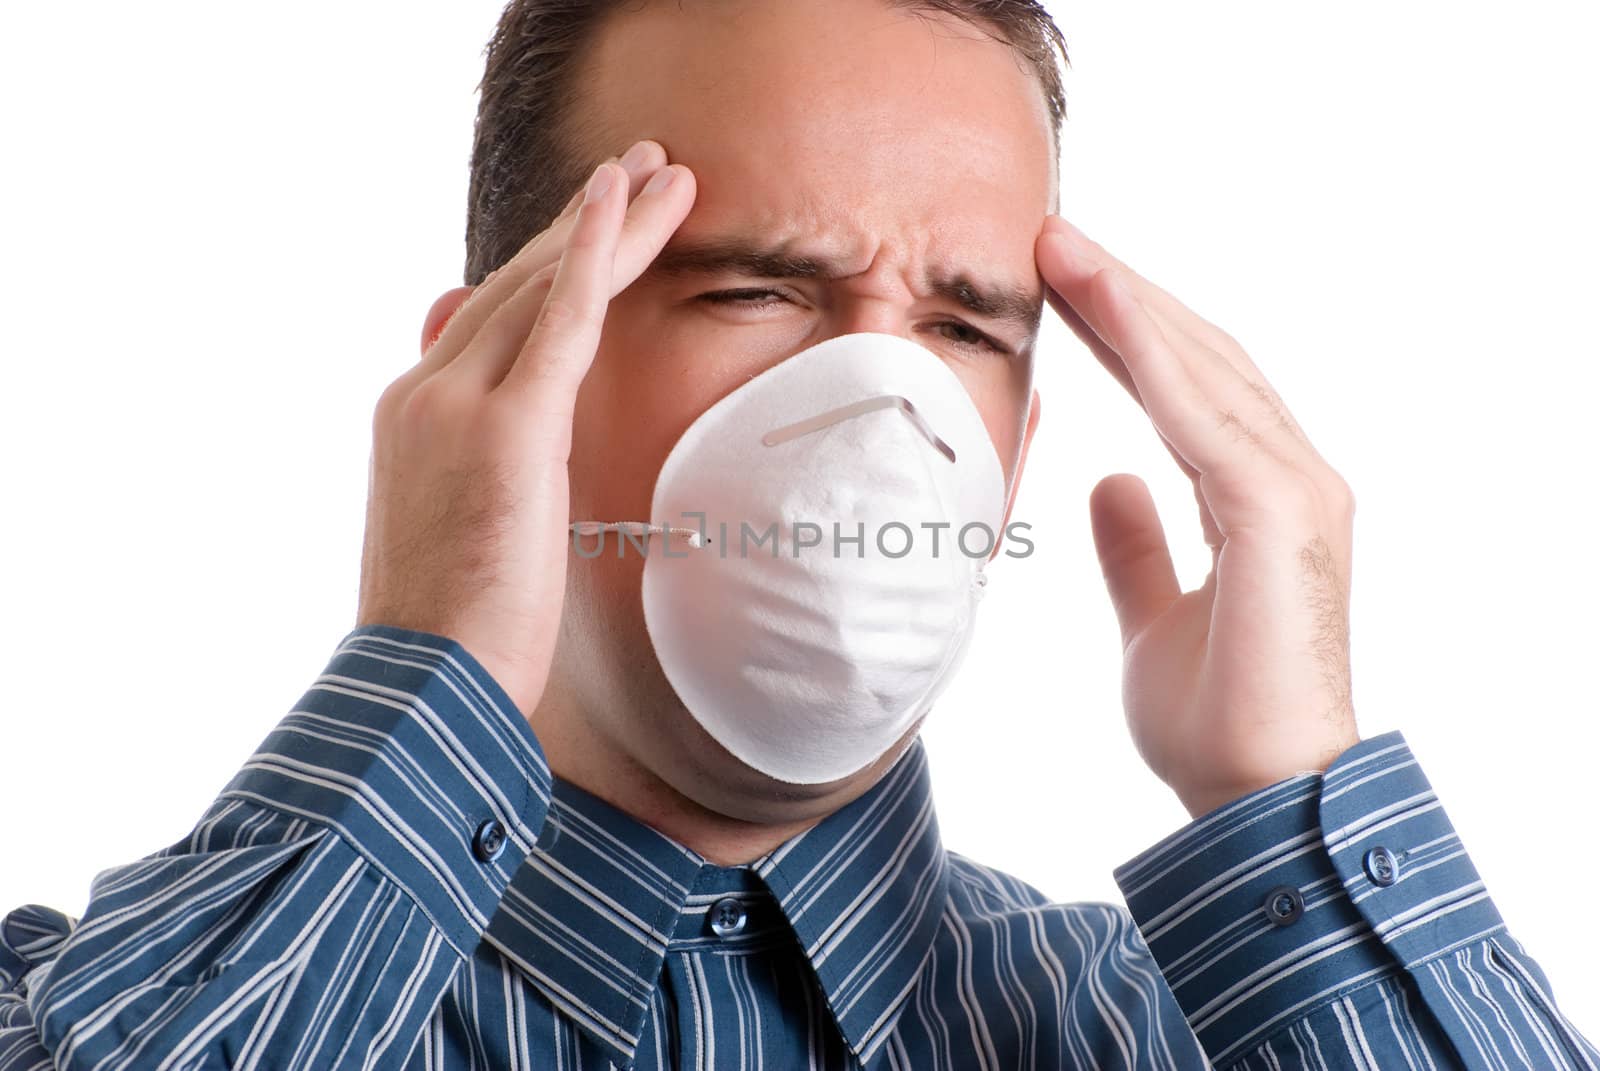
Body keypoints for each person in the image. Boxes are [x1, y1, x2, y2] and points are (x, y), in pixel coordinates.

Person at [1, 0, 1594, 1067]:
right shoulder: (96, 1000)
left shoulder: (1183, 1029)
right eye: (757, 288)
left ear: (1022, 442)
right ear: (496, 374)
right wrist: (430, 681)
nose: (881, 409)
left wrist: (1294, 805)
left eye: (966, 329)